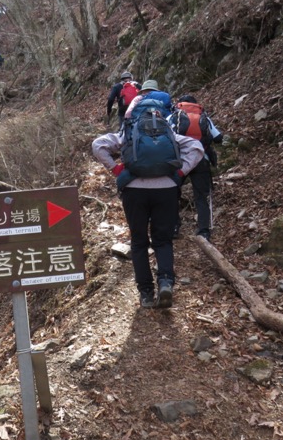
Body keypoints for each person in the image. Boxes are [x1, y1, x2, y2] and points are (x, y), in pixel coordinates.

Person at [92, 105, 204, 309]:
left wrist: (117, 169)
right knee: (163, 240)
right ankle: (166, 282)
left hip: (134, 191)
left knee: (139, 241)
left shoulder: (128, 131)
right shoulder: (168, 132)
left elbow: (98, 145)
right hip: (167, 190)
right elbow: (196, 148)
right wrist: (179, 173)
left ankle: (145, 293)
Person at [168, 94, 224, 241]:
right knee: (201, 196)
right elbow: (218, 138)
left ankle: (174, 226)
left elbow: (165, 136)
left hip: (180, 161)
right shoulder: (204, 117)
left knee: (173, 192)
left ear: (180, 104)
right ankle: (204, 230)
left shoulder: (174, 116)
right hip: (201, 159)